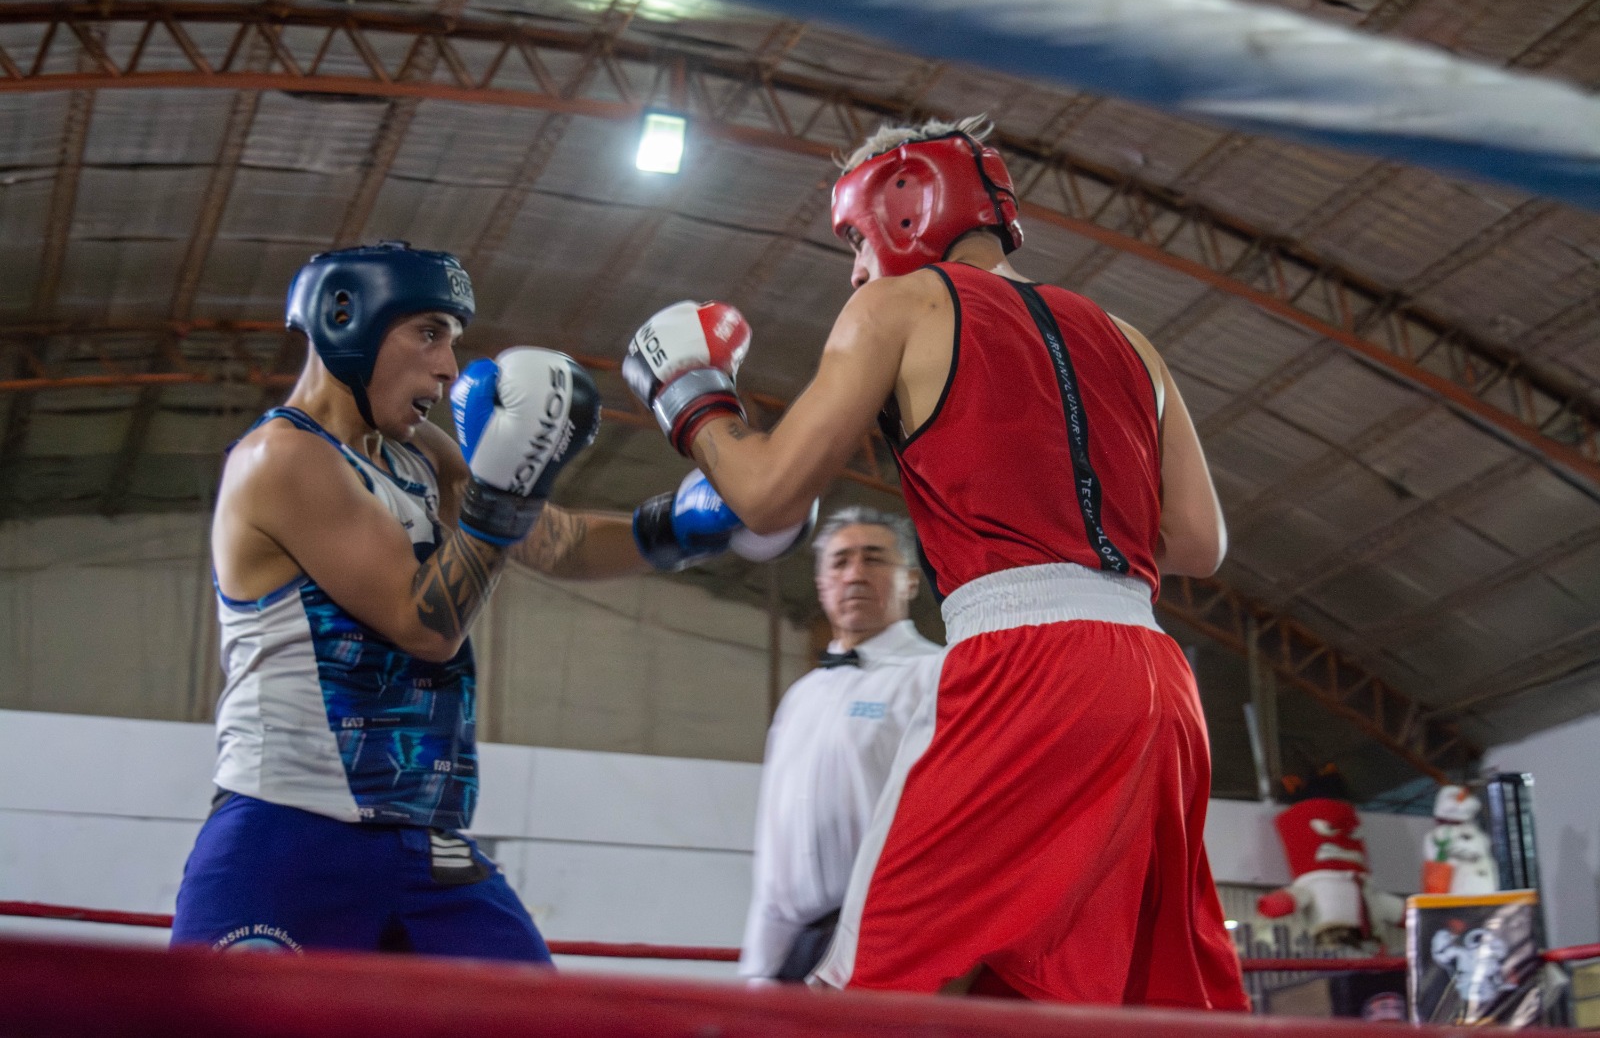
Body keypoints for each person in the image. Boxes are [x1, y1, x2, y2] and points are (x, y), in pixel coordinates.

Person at [620, 118, 1248, 1007]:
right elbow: (1198, 543)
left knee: (871, 990)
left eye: (853, 238)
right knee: (1115, 998)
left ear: (906, 205)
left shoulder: (901, 307)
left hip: (1023, 664)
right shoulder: (1129, 339)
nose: (854, 268)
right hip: (1158, 682)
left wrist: (688, 395)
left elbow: (766, 494)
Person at [172, 241, 791, 960]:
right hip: (288, 835)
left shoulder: (418, 453)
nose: (448, 366)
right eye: (428, 332)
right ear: (347, 319)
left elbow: (553, 541)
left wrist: (681, 528)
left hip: (424, 842)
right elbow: (423, 624)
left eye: (452, 340)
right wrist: (502, 496)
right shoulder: (281, 458)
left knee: (529, 1012)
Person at [739, 507, 943, 982]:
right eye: (840, 561)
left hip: (891, 939)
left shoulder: (938, 676)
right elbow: (775, 837)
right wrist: (759, 969)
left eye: (873, 558)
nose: (854, 574)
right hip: (797, 950)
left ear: (911, 580)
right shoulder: (802, 695)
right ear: (821, 585)